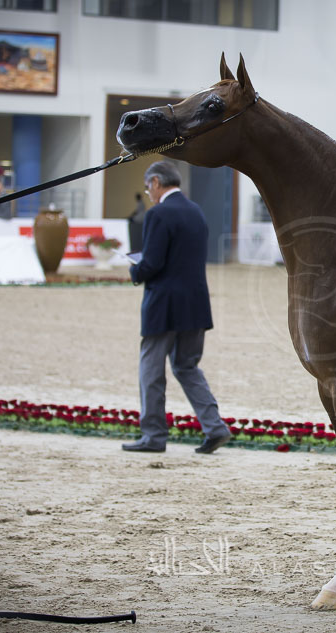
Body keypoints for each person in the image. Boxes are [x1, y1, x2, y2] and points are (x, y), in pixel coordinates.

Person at [122, 160, 232, 455]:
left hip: (164, 305)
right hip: (195, 304)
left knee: (151, 370)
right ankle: (215, 427)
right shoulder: (196, 211)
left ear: (156, 182)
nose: (149, 193)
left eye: (148, 187)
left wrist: (135, 270)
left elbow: (153, 263)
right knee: (187, 366)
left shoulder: (158, 213)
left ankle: (153, 435)